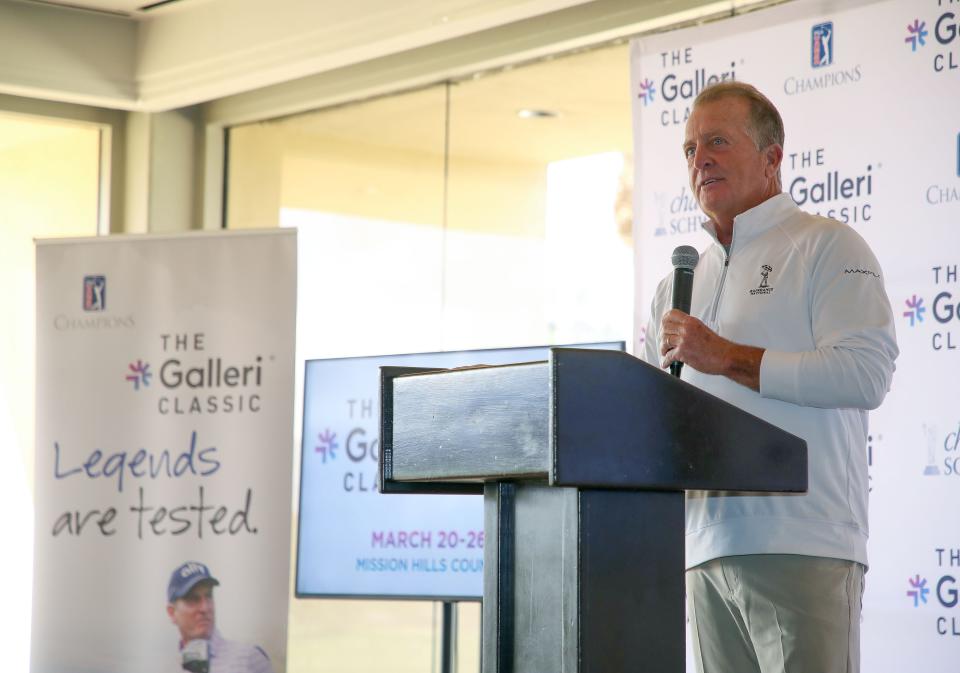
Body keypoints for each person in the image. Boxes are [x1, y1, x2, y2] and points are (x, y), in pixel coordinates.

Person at [642, 81, 898, 673]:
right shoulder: (677, 286)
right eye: (688, 149)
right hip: (705, 548)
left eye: (717, 141)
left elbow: (864, 374)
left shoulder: (826, 245)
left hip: (803, 539)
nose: (699, 158)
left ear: (772, 156)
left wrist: (724, 354)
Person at [167, 561, 274, 673]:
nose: (205, 608)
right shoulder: (169, 669)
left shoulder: (249, 658)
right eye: (193, 599)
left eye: (208, 596)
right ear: (172, 612)